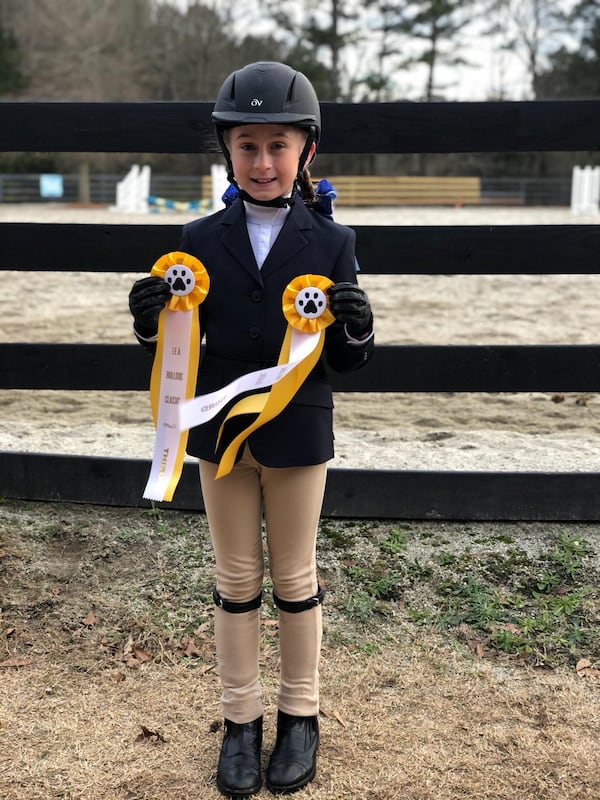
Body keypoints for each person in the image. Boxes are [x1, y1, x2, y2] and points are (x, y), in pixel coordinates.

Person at [128, 61, 374, 798]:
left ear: (306, 152)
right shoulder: (196, 237)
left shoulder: (333, 243)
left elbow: (346, 360)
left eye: (277, 145)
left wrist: (357, 333)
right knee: (235, 580)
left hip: (298, 435)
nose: (263, 161)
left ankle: (301, 714)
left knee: (294, 578)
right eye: (247, 147)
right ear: (226, 152)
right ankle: (240, 720)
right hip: (219, 435)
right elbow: (181, 343)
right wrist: (150, 326)